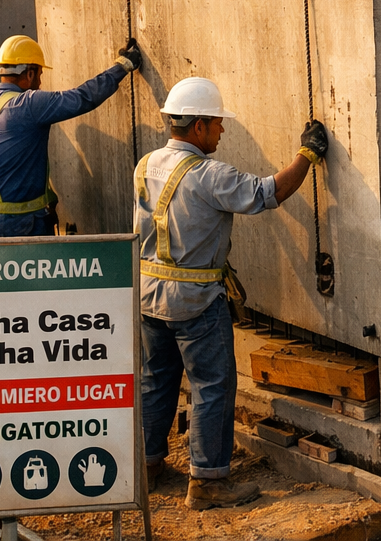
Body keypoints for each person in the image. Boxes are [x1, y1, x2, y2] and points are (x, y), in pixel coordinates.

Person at [136, 76, 329, 510]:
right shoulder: (208, 175)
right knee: (212, 386)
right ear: (199, 126)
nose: (223, 131)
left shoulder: (145, 165)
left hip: (148, 298)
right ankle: (206, 481)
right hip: (195, 303)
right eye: (218, 124)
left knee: (157, 382)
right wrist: (307, 154)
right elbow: (269, 192)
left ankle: (148, 468)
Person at [0, 34, 141, 238]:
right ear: (30, 73)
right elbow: (83, 97)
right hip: (19, 228)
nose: (40, 82)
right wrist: (122, 66)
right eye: (40, 74)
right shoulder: (29, 104)